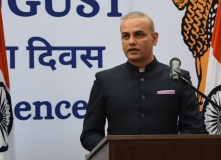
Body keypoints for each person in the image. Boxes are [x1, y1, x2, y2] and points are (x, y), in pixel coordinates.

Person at [80, 11, 203, 151]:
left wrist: (171, 151)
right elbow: (89, 134)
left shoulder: (179, 78)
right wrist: (114, 151)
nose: (131, 41)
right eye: (125, 36)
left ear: (154, 38)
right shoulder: (104, 80)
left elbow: (193, 130)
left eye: (139, 34)